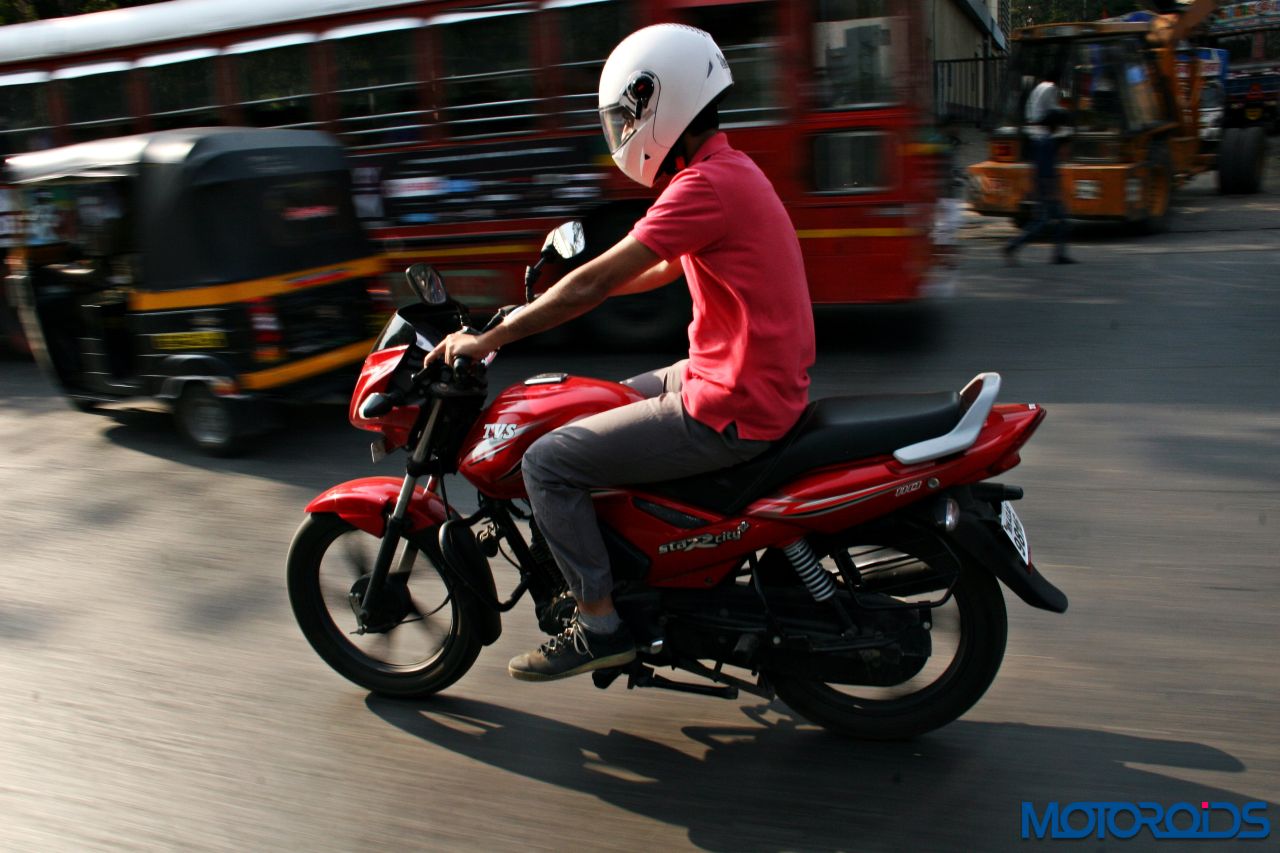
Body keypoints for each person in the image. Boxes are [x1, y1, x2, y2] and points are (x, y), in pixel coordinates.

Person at [424, 24, 816, 681]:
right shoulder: (729, 170)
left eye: (627, 116)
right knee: (599, 402)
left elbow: (597, 280)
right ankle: (645, 562)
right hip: (737, 376)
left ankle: (599, 622)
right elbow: (655, 267)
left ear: (660, 101)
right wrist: (579, 292)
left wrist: (494, 336)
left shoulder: (703, 187)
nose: (624, 131)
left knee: (548, 461)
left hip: (733, 402)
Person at [1005, 79, 1076, 266]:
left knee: (1058, 220)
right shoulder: (1047, 143)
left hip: (1044, 187)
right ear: (1055, 126)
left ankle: (1058, 254)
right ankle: (1013, 246)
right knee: (1043, 222)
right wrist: (1052, 191)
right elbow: (1046, 170)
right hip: (1046, 188)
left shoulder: (1045, 141)